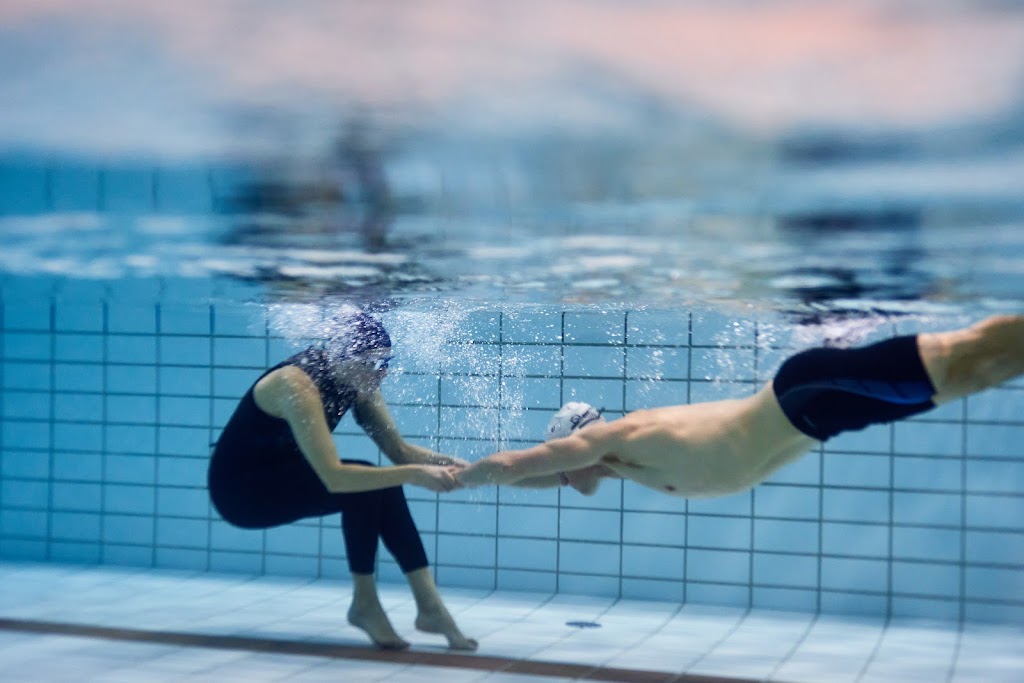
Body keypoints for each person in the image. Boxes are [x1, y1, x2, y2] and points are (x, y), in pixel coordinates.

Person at [455, 315, 1024, 498]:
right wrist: (465, 472)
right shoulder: (614, 464)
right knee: (971, 377)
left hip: (806, 392)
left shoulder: (614, 442)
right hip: (821, 416)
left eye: (561, 460)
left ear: (571, 443)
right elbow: (536, 479)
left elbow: (518, 465)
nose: (563, 477)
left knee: (964, 354)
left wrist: (454, 479)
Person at [208, 309, 476, 651]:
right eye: (373, 363)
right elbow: (335, 477)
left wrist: (456, 466)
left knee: (378, 481)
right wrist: (415, 475)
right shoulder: (296, 385)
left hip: (284, 477)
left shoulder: (358, 379)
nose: (382, 373)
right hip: (240, 493)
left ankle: (431, 608)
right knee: (364, 480)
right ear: (343, 357)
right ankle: (365, 604)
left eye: (386, 362)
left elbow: (400, 452)